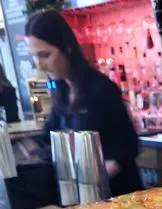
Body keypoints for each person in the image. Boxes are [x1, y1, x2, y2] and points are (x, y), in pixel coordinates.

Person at [25, 9, 140, 197]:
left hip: (118, 197)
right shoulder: (61, 91)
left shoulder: (101, 89)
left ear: (67, 47)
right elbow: (48, 136)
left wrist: (91, 182)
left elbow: (128, 149)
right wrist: (26, 146)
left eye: (45, 55)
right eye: (35, 56)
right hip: (83, 197)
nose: (40, 65)